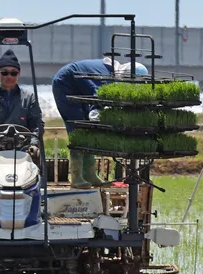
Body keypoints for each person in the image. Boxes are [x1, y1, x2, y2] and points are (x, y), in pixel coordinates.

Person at [52, 58, 145, 189]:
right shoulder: (105, 78)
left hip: (79, 88)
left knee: (88, 129)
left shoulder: (112, 74)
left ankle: (90, 175)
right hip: (64, 84)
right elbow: (97, 102)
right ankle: (76, 177)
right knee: (78, 129)